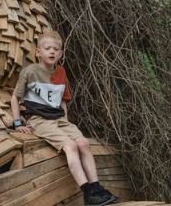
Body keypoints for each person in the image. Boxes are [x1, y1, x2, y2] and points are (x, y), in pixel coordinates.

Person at [10, 31, 119, 206]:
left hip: (60, 119)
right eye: (47, 48)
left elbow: (62, 101)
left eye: (56, 49)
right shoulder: (30, 72)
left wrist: (66, 122)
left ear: (60, 54)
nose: (52, 52)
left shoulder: (61, 72)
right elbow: (15, 97)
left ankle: (96, 188)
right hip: (39, 120)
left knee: (83, 143)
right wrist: (17, 122)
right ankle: (88, 193)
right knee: (70, 146)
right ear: (38, 52)